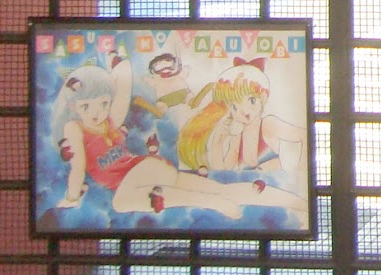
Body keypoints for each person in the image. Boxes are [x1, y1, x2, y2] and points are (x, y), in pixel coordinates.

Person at [49, 58, 304, 221]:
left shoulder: (107, 121)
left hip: (144, 170)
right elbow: (77, 165)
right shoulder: (75, 127)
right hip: (148, 178)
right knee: (221, 189)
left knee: (121, 202)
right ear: (73, 107)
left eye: (103, 103)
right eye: (86, 107)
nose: (97, 112)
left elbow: (79, 167)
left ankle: (211, 202)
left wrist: (71, 198)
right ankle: (298, 203)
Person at [178, 58, 305, 177]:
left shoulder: (268, 125)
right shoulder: (237, 135)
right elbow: (223, 173)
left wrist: (301, 171)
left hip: (273, 186)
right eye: (234, 107)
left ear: (262, 97)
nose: (245, 111)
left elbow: (304, 134)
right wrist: (218, 142)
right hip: (248, 188)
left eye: (252, 101)